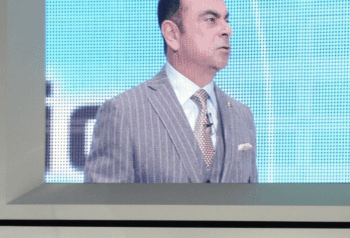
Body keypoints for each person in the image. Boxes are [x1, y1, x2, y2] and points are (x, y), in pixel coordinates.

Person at [84, 0, 258, 183]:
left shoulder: (242, 115)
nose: (227, 30)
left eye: (226, 20)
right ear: (172, 34)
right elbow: (104, 200)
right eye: (211, 20)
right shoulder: (124, 112)